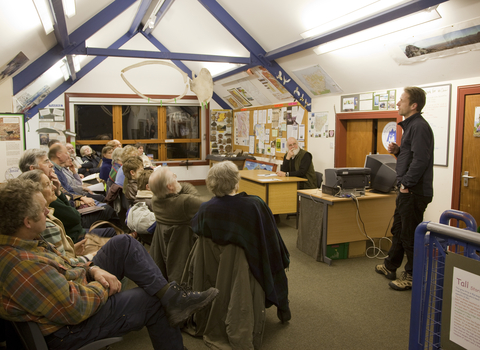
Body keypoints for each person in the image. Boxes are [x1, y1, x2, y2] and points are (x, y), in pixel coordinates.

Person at [0, 178, 219, 350]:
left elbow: (65, 265)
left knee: (122, 243)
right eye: (42, 210)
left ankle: (173, 299)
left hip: (74, 288)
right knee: (150, 300)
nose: (48, 212)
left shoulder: (27, 242)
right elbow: (76, 308)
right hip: (69, 330)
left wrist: (93, 268)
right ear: (27, 221)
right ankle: (172, 307)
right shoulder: (23, 265)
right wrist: (103, 284)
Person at [192, 161, 291, 322]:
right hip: (251, 263)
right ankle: (282, 307)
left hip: (216, 267)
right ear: (235, 181)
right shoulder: (254, 205)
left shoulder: (205, 208)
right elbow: (270, 238)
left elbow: (197, 232)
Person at [375, 86, 434, 291]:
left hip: (413, 191)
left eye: (402, 100)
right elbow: (412, 157)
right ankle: (390, 266)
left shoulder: (419, 126)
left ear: (413, 105)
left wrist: (406, 184)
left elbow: (421, 161)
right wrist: (399, 151)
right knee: (398, 229)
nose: (398, 103)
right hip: (407, 189)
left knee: (409, 234)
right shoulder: (410, 126)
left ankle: (411, 276)